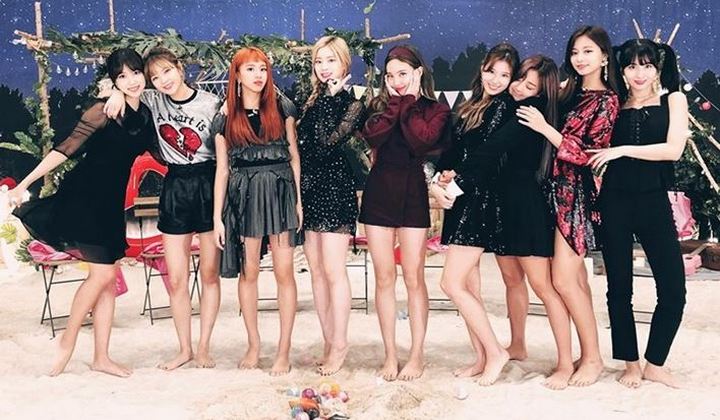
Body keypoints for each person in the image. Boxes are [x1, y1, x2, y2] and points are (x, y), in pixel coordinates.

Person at [10, 48, 160, 377]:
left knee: (107, 279)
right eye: (122, 76)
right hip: (85, 198)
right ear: (113, 80)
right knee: (103, 276)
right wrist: (25, 182)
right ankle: (68, 340)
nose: (131, 81)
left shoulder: (145, 114)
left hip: (111, 204)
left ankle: (101, 357)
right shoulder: (103, 110)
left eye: (135, 73)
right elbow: (65, 149)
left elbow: (160, 153)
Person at [104, 47, 223, 370]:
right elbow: (125, 88)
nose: (162, 80)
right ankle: (184, 349)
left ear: (180, 68)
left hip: (208, 184)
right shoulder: (153, 101)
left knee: (209, 275)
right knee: (177, 279)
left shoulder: (212, 104)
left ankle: (204, 347)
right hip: (175, 187)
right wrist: (116, 92)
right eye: (154, 77)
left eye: (167, 71)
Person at [516, 25, 621, 386]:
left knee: (563, 278)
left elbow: (591, 155)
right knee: (575, 280)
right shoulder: (569, 93)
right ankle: (586, 353)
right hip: (550, 191)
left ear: (604, 57)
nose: (580, 58)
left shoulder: (607, 101)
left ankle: (593, 358)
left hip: (577, 196)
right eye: (575, 52)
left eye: (588, 51)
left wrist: (547, 129)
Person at [589, 39, 688, 388]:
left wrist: (620, 150)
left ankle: (655, 363)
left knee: (673, 288)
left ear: (657, 68)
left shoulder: (672, 100)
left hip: (653, 200)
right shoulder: (613, 102)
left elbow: (673, 150)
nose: (639, 74)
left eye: (646, 65)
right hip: (614, 201)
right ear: (621, 69)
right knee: (619, 288)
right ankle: (630, 363)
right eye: (631, 66)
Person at [360, 44, 451, 381]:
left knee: (414, 276)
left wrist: (410, 102)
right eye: (390, 75)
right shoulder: (379, 107)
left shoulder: (436, 109)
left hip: (413, 194)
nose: (397, 81)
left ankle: (416, 354)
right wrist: (396, 103)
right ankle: (389, 354)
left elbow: (420, 141)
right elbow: (374, 136)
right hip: (379, 193)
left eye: (403, 74)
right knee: (384, 277)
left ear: (418, 73)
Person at [213, 47, 301, 376]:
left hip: (280, 191)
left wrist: (298, 201)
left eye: (262, 68)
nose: (258, 75)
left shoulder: (282, 106)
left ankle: (283, 350)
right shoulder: (225, 116)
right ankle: (253, 345)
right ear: (237, 74)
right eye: (250, 69)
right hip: (245, 195)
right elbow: (222, 169)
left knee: (284, 272)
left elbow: (294, 156)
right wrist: (217, 217)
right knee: (249, 272)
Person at [297, 35, 367, 375]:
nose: (324, 68)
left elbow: (327, 142)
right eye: (319, 61)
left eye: (331, 60)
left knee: (334, 270)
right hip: (310, 189)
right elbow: (302, 144)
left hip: (335, 188)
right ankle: (328, 340)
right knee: (316, 272)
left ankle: (340, 343)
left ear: (345, 64)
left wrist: (335, 97)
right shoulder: (312, 100)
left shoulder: (352, 103)